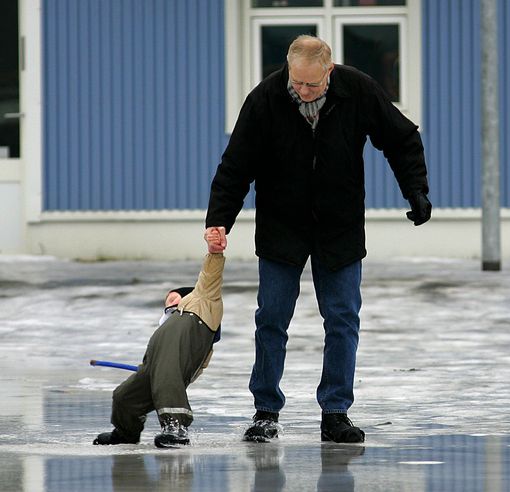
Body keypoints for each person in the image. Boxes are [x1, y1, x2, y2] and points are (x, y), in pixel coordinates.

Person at [206, 34, 431, 443]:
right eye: (297, 83)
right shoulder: (266, 99)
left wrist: (415, 190)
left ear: (329, 70)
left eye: (311, 84)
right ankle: (265, 411)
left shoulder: (357, 90)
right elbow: (236, 166)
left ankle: (335, 412)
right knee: (271, 319)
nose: (303, 91)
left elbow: (401, 138)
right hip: (281, 226)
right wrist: (219, 220)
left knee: (342, 319)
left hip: (338, 226)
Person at [93, 227, 226, 448]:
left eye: (174, 298)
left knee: (166, 376)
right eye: (166, 302)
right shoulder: (166, 325)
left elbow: (210, 276)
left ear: (187, 296)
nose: (169, 304)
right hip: (156, 362)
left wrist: (214, 253)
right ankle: (126, 431)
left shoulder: (202, 300)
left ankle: (176, 427)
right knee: (124, 396)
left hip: (174, 360)